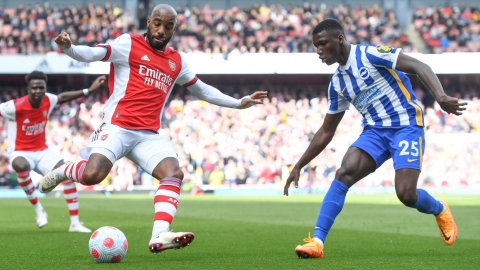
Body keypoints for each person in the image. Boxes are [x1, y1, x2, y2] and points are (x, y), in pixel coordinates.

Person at [39, 4, 267, 254]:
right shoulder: (129, 44)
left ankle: (159, 234)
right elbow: (94, 53)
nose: (161, 30)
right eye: (157, 23)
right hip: (117, 126)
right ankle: (63, 171)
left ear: (174, 29)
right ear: (148, 22)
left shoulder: (176, 61)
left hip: (147, 135)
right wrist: (69, 48)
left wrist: (238, 102)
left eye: (168, 26)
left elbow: (201, 89)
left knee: (173, 173)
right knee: (93, 176)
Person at [284, 19, 466, 259]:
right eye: (315, 46)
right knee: (344, 173)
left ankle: (439, 209)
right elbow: (326, 131)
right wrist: (299, 164)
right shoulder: (337, 83)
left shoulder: (369, 54)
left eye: (322, 44)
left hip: (406, 125)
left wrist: (440, 97)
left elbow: (418, 65)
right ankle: (317, 242)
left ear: (339, 39)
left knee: (406, 194)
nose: (318, 51)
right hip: (374, 132)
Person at [0, 71, 105, 232]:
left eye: (41, 88)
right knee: (20, 165)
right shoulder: (15, 107)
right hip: (20, 152)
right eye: (34, 88)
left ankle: (75, 223)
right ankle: (39, 210)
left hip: (42, 151)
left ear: (45, 88)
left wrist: (88, 91)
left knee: (66, 173)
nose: (38, 91)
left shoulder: (48, 100)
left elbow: (62, 97)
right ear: (28, 89)